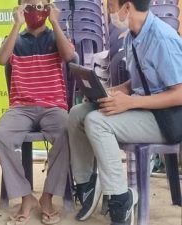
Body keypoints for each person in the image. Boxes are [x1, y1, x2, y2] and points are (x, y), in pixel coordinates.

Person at [68, 0, 182, 224]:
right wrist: (112, 91)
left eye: (111, 5)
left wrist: (129, 103)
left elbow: (179, 93)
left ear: (127, 7)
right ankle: (87, 185)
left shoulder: (162, 38)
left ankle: (122, 199)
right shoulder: (132, 36)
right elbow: (139, 81)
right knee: (77, 113)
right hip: (143, 107)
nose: (108, 11)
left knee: (97, 121)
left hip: (167, 118)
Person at [0, 0, 75, 224]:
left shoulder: (55, 37)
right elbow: (0, 60)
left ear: (47, 8)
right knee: (0, 137)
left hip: (53, 107)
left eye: (40, 6)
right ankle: (26, 196)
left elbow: (68, 56)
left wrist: (55, 23)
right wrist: (16, 25)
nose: (35, 12)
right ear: (19, 10)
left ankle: (47, 197)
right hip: (21, 108)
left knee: (67, 131)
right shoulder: (15, 39)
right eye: (28, 7)